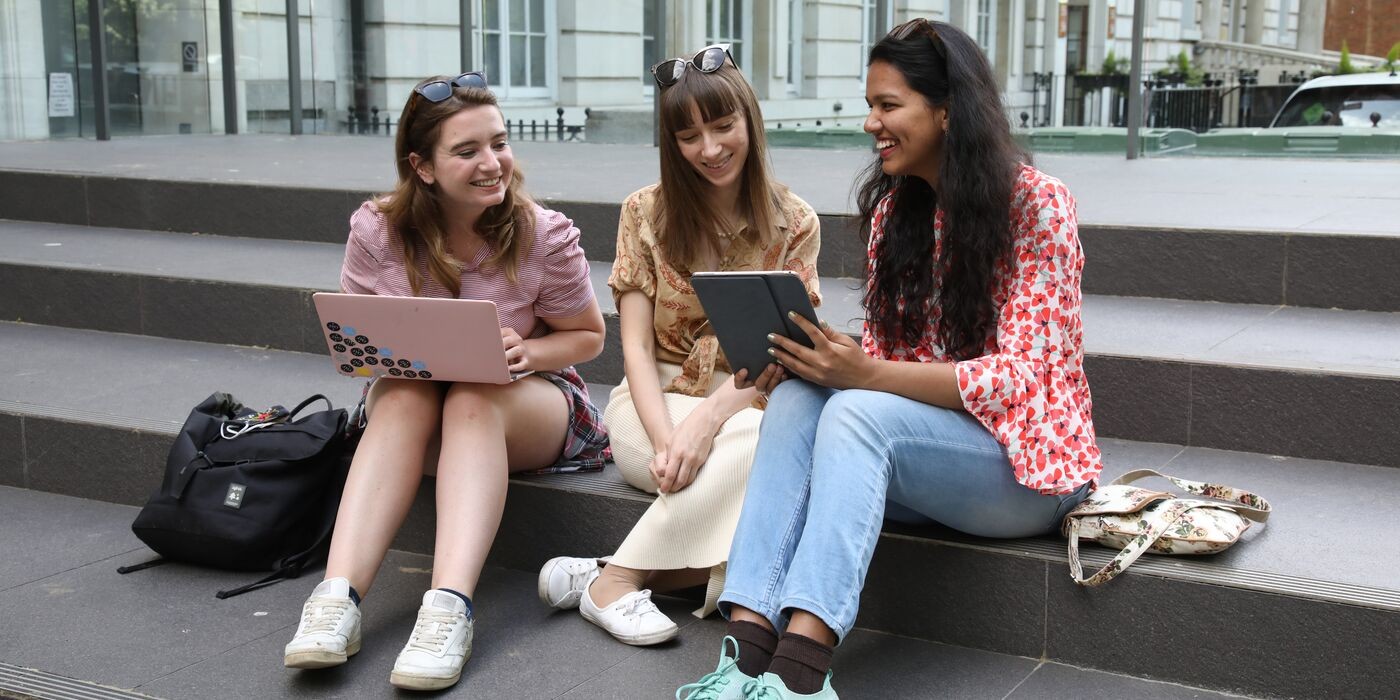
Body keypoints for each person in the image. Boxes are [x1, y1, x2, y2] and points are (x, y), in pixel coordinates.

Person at [678, 20, 1102, 700]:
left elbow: (1022, 378)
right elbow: (889, 360)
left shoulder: (1036, 204)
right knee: (797, 399)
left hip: (1028, 471)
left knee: (855, 414)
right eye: (869, 105)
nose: (871, 122)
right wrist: (814, 365)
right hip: (927, 462)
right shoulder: (893, 215)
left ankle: (800, 673)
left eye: (888, 105)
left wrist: (864, 375)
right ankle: (746, 649)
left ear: (946, 108)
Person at [281, 72, 609, 691]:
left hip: (528, 403)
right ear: (422, 166)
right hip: (417, 405)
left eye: (499, 143)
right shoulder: (378, 231)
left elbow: (588, 338)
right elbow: (358, 335)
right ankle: (336, 601)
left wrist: (528, 349)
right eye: (467, 151)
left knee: (473, 398)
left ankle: (449, 609)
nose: (493, 163)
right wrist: (391, 353)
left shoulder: (543, 233)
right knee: (405, 395)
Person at [537, 44, 821, 646]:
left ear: (750, 121)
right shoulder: (645, 212)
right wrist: (672, 441)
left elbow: (784, 354)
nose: (710, 148)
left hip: (747, 402)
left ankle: (611, 576)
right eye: (689, 135)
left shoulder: (795, 222)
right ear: (671, 142)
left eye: (723, 126)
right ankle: (633, 578)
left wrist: (710, 420)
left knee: (762, 442)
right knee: (769, 462)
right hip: (651, 406)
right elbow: (635, 350)